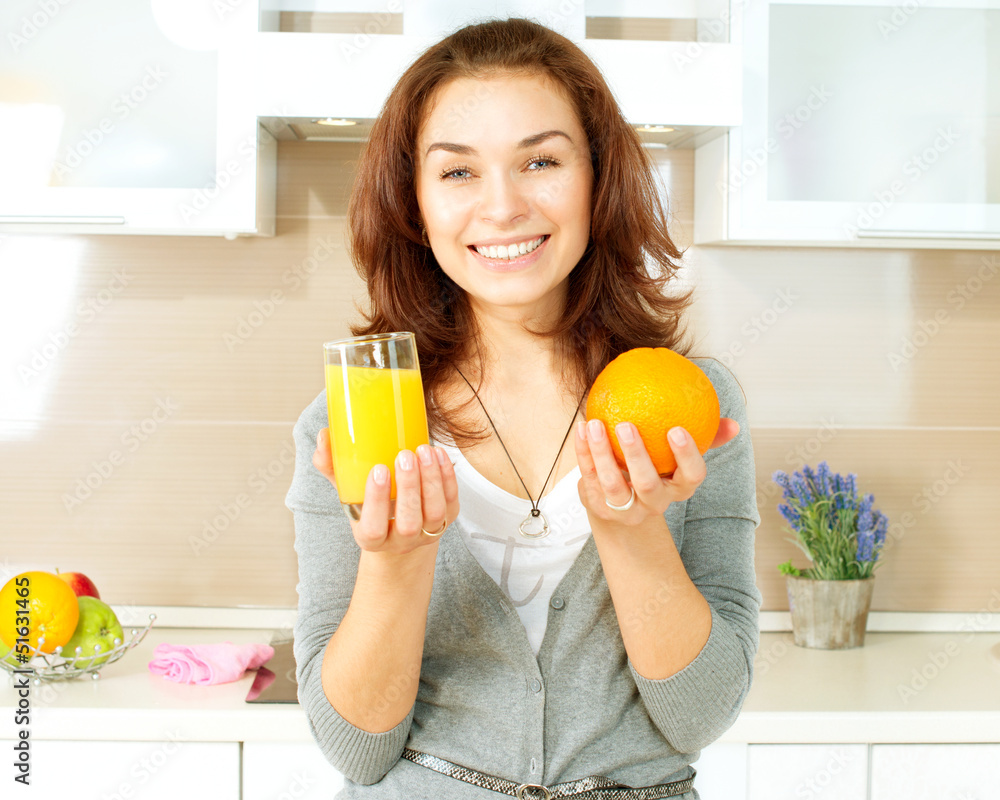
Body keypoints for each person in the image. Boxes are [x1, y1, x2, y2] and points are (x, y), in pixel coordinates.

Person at [285, 17, 762, 799]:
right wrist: (395, 564)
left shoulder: (688, 407)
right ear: (414, 201)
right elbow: (357, 752)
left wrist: (633, 530)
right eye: (458, 172)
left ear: (597, 177)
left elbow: (699, 718)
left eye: (540, 160)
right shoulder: (353, 421)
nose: (503, 207)